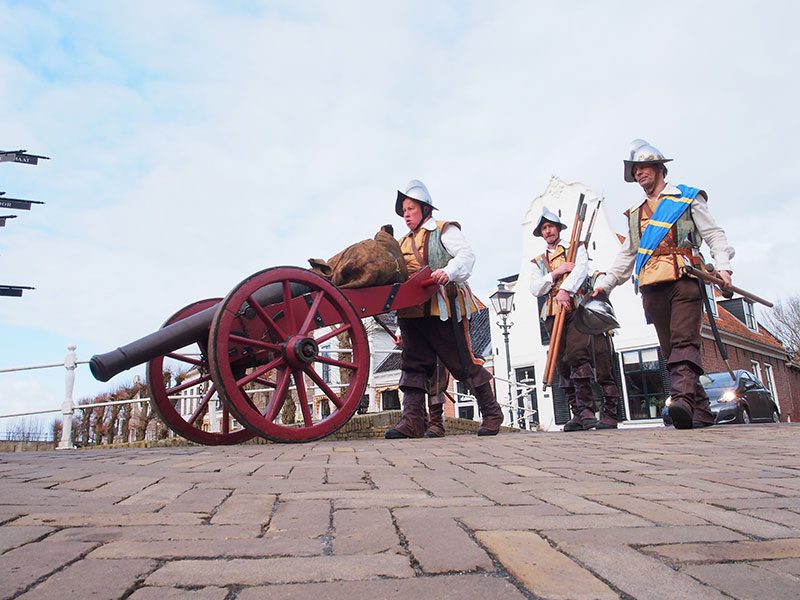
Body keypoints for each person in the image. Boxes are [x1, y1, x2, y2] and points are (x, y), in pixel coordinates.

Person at [593, 139, 735, 429]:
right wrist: (607, 283)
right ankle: (702, 411)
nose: (639, 174)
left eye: (643, 167)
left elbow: (714, 235)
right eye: (635, 170)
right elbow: (628, 253)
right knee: (671, 349)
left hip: (684, 279)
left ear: (659, 168)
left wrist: (724, 267)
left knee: (685, 341)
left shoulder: (686, 198)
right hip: (650, 285)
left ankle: (681, 399)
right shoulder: (635, 213)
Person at [385, 180, 504, 439]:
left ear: (425, 208)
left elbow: (466, 257)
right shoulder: (401, 242)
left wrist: (447, 272)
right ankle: (413, 421)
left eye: (411, 208)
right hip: (411, 313)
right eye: (403, 210)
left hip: (442, 309)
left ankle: (492, 412)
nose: (406, 214)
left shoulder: (443, 231)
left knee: (461, 363)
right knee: (413, 367)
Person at [530, 208, 597, 431]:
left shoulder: (575, 248)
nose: (548, 231)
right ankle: (576, 413)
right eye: (544, 228)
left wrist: (566, 290)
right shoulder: (538, 262)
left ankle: (587, 410)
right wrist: (556, 274)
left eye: (551, 226)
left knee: (578, 354)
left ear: (558, 228)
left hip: (574, 307)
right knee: (561, 361)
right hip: (551, 311)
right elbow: (535, 288)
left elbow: (581, 271)